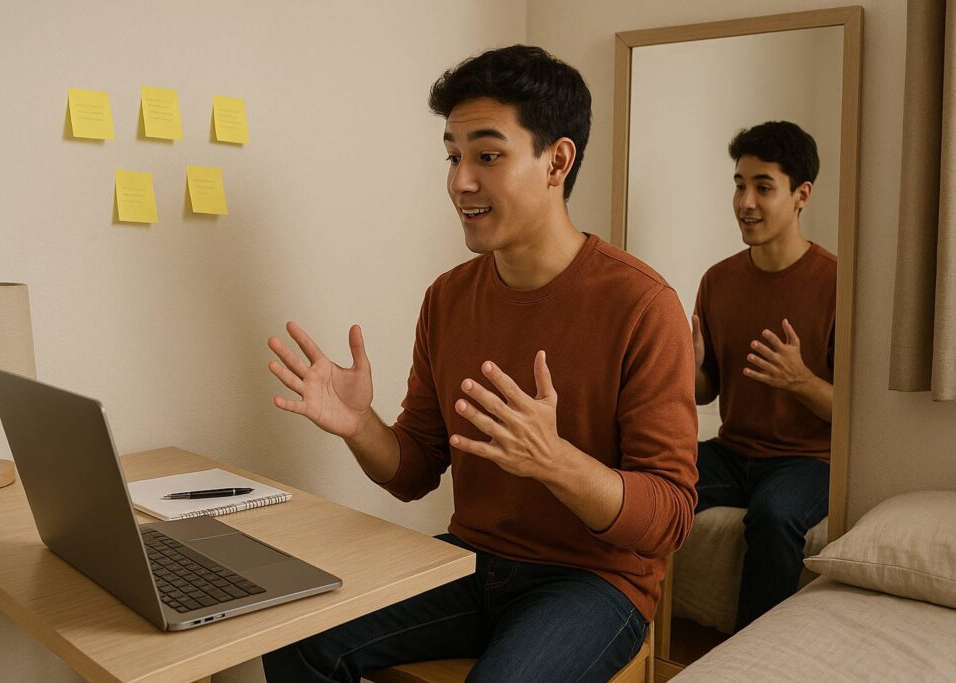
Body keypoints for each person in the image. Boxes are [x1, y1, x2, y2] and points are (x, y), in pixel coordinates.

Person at [262, 45, 697, 683]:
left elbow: (670, 518)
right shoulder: (448, 298)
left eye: (487, 156)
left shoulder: (643, 305)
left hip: (595, 581)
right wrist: (360, 425)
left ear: (557, 161)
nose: (460, 181)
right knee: (295, 638)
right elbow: (414, 469)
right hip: (472, 561)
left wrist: (555, 461)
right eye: (453, 156)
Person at [692, 120, 836, 631]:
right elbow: (705, 389)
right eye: (739, 185)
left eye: (763, 187)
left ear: (801, 195)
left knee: (774, 515)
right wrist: (685, 369)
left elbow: (856, 415)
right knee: (648, 476)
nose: (745, 202)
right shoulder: (718, 280)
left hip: (808, 460)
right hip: (733, 452)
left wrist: (800, 380)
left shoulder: (837, 282)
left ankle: (751, 655)